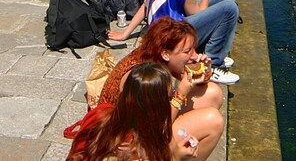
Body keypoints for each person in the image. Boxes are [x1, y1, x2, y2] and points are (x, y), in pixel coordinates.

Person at [97, 19, 226, 160]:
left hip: (148, 120)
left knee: (214, 93)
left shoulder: (156, 56)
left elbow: (189, 80)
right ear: (166, 53)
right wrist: (181, 93)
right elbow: (156, 129)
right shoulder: (148, 78)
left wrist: (204, 72)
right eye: (188, 51)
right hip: (128, 139)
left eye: (194, 49)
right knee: (214, 121)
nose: (194, 56)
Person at [66, 62, 207, 161]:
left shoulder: (100, 112)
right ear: (158, 109)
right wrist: (178, 158)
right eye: (170, 97)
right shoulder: (138, 153)